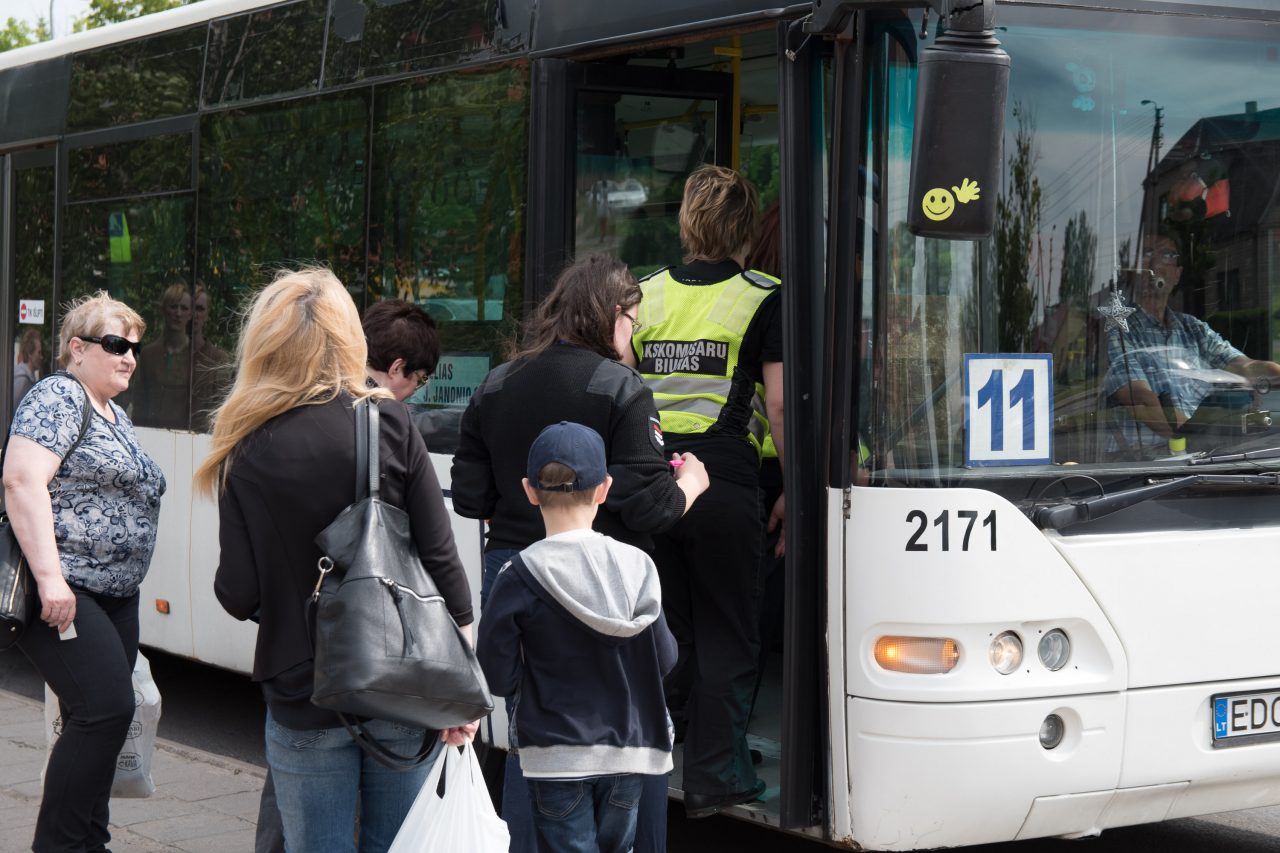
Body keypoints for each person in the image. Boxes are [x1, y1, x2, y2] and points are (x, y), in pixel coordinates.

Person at [196, 267, 478, 853]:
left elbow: (238, 593)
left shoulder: (245, 442)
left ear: (265, 343)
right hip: (401, 680)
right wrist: (460, 687)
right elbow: (443, 563)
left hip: (304, 687)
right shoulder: (390, 421)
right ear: (349, 338)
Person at [451, 253, 709, 853]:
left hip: (515, 565)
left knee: (530, 728)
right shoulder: (621, 388)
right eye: (634, 324)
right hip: (608, 570)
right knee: (627, 714)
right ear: (614, 314)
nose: (634, 338)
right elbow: (650, 508)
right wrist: (691, 483)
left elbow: (469, 496)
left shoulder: (496, 384)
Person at [626, 164, 784, 818]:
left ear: (687, 222)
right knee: (728, 628)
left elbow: (623, 390)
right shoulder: (762, 295)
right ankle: (718, 776)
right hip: (723, 479)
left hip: (652, 477)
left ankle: (657, 748)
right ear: (745, 227)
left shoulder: (645, 294)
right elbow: (780, 406)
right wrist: (796, 490)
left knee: (669, 624)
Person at [4, 292, 166, 853]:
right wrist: (51, 579)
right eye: (116, 345)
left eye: (135, 348)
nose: (129, 358)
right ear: (77, 348)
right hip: (69, 589)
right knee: (105, 710)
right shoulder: (59, 395)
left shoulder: (113, 412)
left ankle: (90, 841)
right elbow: (21, 480)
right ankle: (61, 845)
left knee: (96, 718)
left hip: (116, 597)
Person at [478, 421, 676, 853]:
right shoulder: (639, 565)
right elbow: (664, 658)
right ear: (604, 489)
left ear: (529, 491)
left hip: (555, 755)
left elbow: (497, 675)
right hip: (629, 753)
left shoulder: (520, 574)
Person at [1106, 230, 1280, 456]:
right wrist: (1201, 438)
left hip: (1203, 456)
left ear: (1177, 274)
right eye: (1147, 253)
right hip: (1144, 462)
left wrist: (1273, 373)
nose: (1156, 263)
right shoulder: (1120, 328)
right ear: (1134, 272)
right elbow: (1140, 400)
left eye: (1167, 255)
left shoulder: (1192, 328)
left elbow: (1243, 366)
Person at [136, 283, 192, 429]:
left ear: (190, 314)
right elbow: (139, 402)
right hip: (152, 433)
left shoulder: (196, 356)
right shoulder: (148, 354)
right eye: (173, 306)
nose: (178, 313)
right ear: (164, 310)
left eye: (184, 308)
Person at [191, 284, 232, 432]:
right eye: (190, 308)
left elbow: (221, 410)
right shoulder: (162, 355)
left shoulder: (219, 359)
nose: (194, 314)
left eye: (200, 308)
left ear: (207, 314)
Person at [13, 328, 43, 407]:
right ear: (30, 353)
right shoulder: (22, 380)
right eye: (39, 352)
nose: (41, 357)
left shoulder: (28, 377)